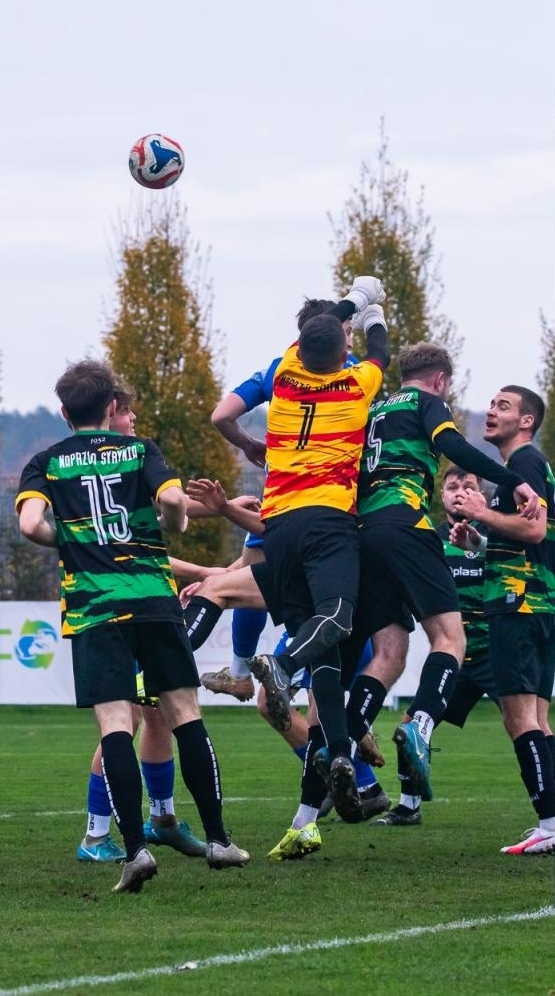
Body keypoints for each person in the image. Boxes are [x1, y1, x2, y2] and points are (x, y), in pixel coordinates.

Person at [17, 359, 249, 893]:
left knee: (116, 725)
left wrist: (71, 540)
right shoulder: (140, 450)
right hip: (154, 603)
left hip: (94, 609)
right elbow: (171, 501)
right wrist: (174, 522)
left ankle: (135, 851)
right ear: (111, 406)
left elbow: (30, 524)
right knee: (184, 714)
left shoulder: (45, 462)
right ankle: (219, 839)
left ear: (64, 411)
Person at [185, 279, 390, 824]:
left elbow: (225, 412)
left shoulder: (284, 373)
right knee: (338, 619)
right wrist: (371, 312)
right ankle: (278, 664)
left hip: (277, 528)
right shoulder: (358, 384)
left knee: (325, 652)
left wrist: (353, 299)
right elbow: (381, 354)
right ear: (343, 348)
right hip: (328, 522)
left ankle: (339, 756)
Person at [347, 343, 538, 802]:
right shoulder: (426, 401)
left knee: (389, 651)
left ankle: (345, 734)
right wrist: (513, 480)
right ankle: (420, 725)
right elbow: (451, 445)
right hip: (404, 522)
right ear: (440, 381)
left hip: (362, 531)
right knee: (450, 639)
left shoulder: (373, 409)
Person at [75, 381, 207, 863]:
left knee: (156, 713)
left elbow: (155, 538)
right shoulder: (97, 472)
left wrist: (219, 511)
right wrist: (208, 570)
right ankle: (95, 835)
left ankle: (163, 818)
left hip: (140, 606)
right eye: (127, 412)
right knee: (125, 718)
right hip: (113, 610)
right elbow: (139, 555)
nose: (133, 420)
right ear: (109, 413)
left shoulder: (124, 469)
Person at [450, 385, 555, 855]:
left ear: (526, 421)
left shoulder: (525, 464)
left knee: (519, 719)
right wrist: (477, 539)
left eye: (503, 406)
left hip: (519, 603)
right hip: (538, 603)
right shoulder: (521, 470)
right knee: (537, 720)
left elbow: (533, 528)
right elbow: (528, 538)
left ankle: (551, 824)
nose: (491, 412)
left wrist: (481, 513)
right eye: (492, 405)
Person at [376, 465, 494, 827]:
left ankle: (554, 815)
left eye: (469, 486)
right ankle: (408, 806)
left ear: (482, 496)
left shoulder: (495, 540)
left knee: (523, 725)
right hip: (453, 658)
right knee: (410, 725)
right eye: (453, 486)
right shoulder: (426, 541)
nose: (460, 492)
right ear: (440, 496)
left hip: (495, 652)